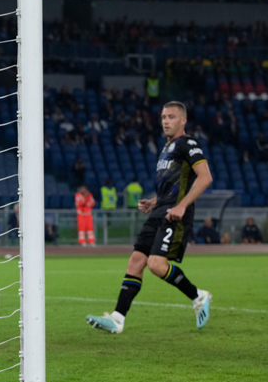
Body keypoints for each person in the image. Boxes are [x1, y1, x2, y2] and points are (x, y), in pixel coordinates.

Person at [86, 101, 213, 334]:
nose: (165, 121)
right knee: (136, 260)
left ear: (183, 120)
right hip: (160, 210)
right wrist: (155, 201)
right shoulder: (165, 148)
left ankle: (198, 295)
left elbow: (205, 178)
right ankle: (117, 318)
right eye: (164, 117)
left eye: (171, 117)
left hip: (175, 215)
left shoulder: (188, 143)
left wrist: (182, 206)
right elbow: (173, 185)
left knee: (156, 265)